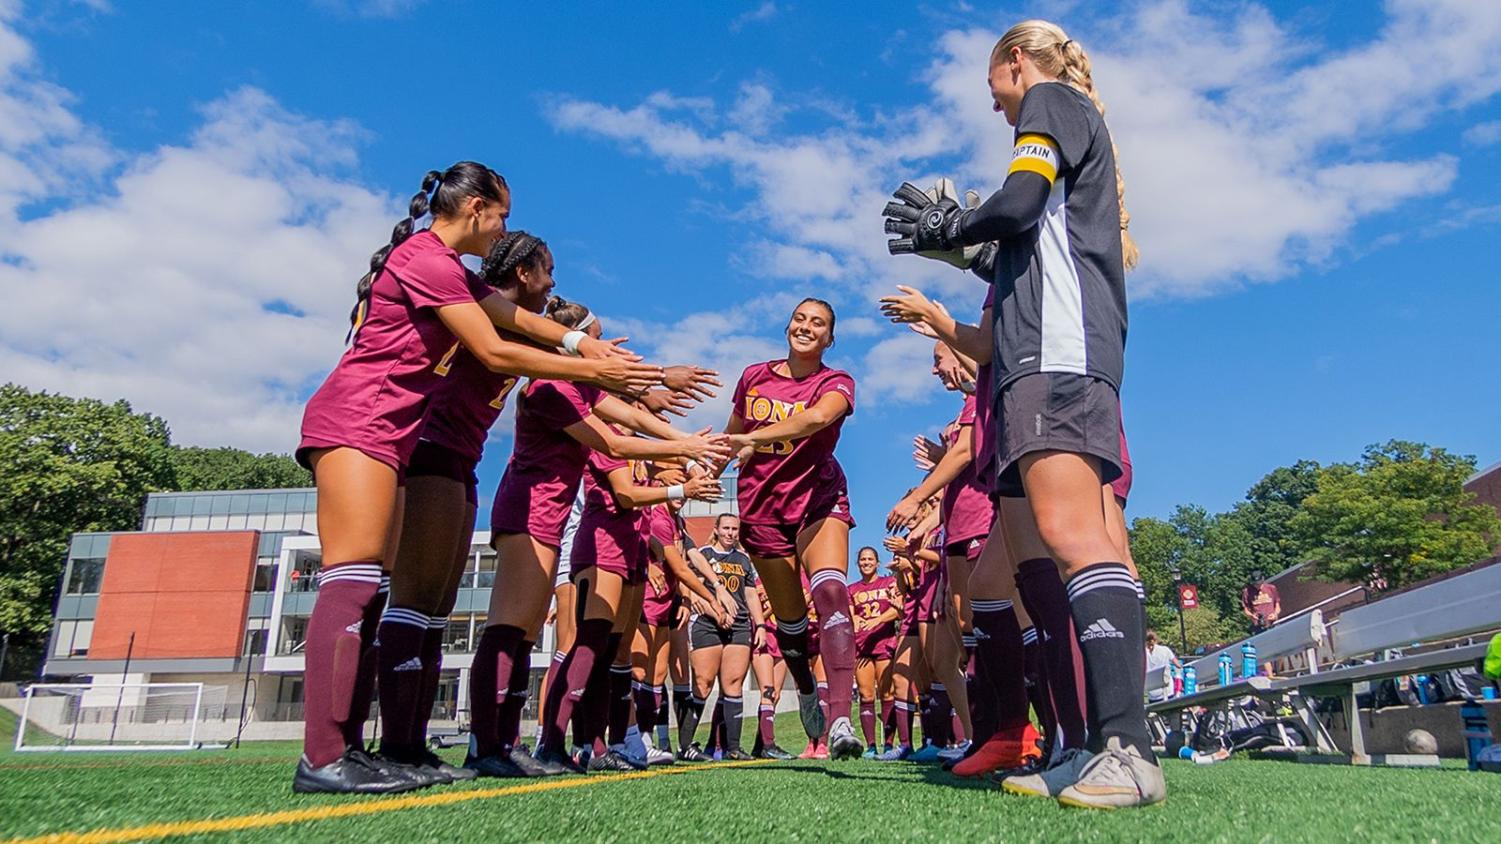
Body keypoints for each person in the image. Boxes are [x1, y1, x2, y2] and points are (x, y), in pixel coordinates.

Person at [292, 164, 660, 795]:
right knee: (353, 583)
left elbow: (514, 319)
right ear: (474, 208)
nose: (503, 229)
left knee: (387, 593)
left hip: (392, 434)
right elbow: (494, 348)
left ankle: (379, 747)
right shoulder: (425, 258)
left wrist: (582, 343)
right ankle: (325, 754)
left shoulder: (452, 270)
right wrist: (593, 367)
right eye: (503, 216)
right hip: (358, 421)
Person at [881, 20, 1160, 808]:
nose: (1001, 109)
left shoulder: (1049, 97)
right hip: (1030, 362)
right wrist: (964, 252)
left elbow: (1019, 199)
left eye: (993, 90)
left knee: (1077, 538)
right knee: (1035, 549)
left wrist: (951, 225)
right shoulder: (1055, 123)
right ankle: (1078, 746)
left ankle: (1126, 748)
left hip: (1059, 355)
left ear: (1011, 64)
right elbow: (1020, 232)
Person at [465, 299, 731, 778]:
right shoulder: (552, 389)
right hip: (545, 519)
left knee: (569, 642)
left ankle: (553, 744)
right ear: (570, 343)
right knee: (530, 633)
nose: (607, 348)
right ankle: (510, 742)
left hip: (559, 520)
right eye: (597, 338)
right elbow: (616, 444)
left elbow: (634, 418)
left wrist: (689, 439)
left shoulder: (579, 390)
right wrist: (684, 456)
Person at [720, 298, 864, 759]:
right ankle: (804, 688)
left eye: (817, 323)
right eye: (800, 319)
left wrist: (753, 439)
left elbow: (817, 419)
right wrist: (709, 465)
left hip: (819, 497)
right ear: (788, 327)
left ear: (829, 338)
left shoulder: (836, 382)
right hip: (762, 507)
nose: (806, 327)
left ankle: (840, 718)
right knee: (791, 622)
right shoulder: (753, 376)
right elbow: (733, 435)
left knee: (831, 592)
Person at [537, 442, 724, 773]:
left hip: (629, 547)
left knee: (611, 652)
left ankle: (607, 742)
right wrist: (683, 481)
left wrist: (692, 464)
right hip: (599, 546)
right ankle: (552, 741)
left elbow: (662, 455)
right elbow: (626, 492)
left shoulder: (644, 450)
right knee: (587, 645)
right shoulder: (609, 431)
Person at [678, 514, 764, 761]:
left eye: (735, 529)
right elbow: (694, 591)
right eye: (726, 528)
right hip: (707, 623)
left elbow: (751, 596)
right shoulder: (703, 555)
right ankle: (685, 746)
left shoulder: (744, 561)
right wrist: (716, 613)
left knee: (733, 685)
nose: (730, 533)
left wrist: (760, 626)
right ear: (716, 530)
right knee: (703, 683)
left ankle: (733, 748)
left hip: (738, 627)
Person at [849, 547, 901, 757]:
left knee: (887, 694)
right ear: (858, 563)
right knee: (866, 695)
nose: (866, 562)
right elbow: (850, 614)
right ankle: (871, 746)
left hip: (884, 644)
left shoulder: (888, 583)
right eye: (863, 559)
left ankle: (888, 744)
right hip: (862, 648)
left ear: (877, 563)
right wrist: (855, 620)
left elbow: (898, 609)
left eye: (870, 559)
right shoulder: (851, 589)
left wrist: (876, 621)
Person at [749, 579, 793, 759]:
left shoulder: (785, 581)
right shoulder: (755, 583)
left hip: (781, 640)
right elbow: (756, 616)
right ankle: (769, 744)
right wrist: (773, 606)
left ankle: (760, 745)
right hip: (763, 640)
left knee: (776, 694)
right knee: (767, 691)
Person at [1144, 630, 1180, 703]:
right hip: (1168, 691)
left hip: (1152, 694)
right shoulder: (1165, 650)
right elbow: (1178, 665)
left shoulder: (1142, 653)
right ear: (1156, 640)